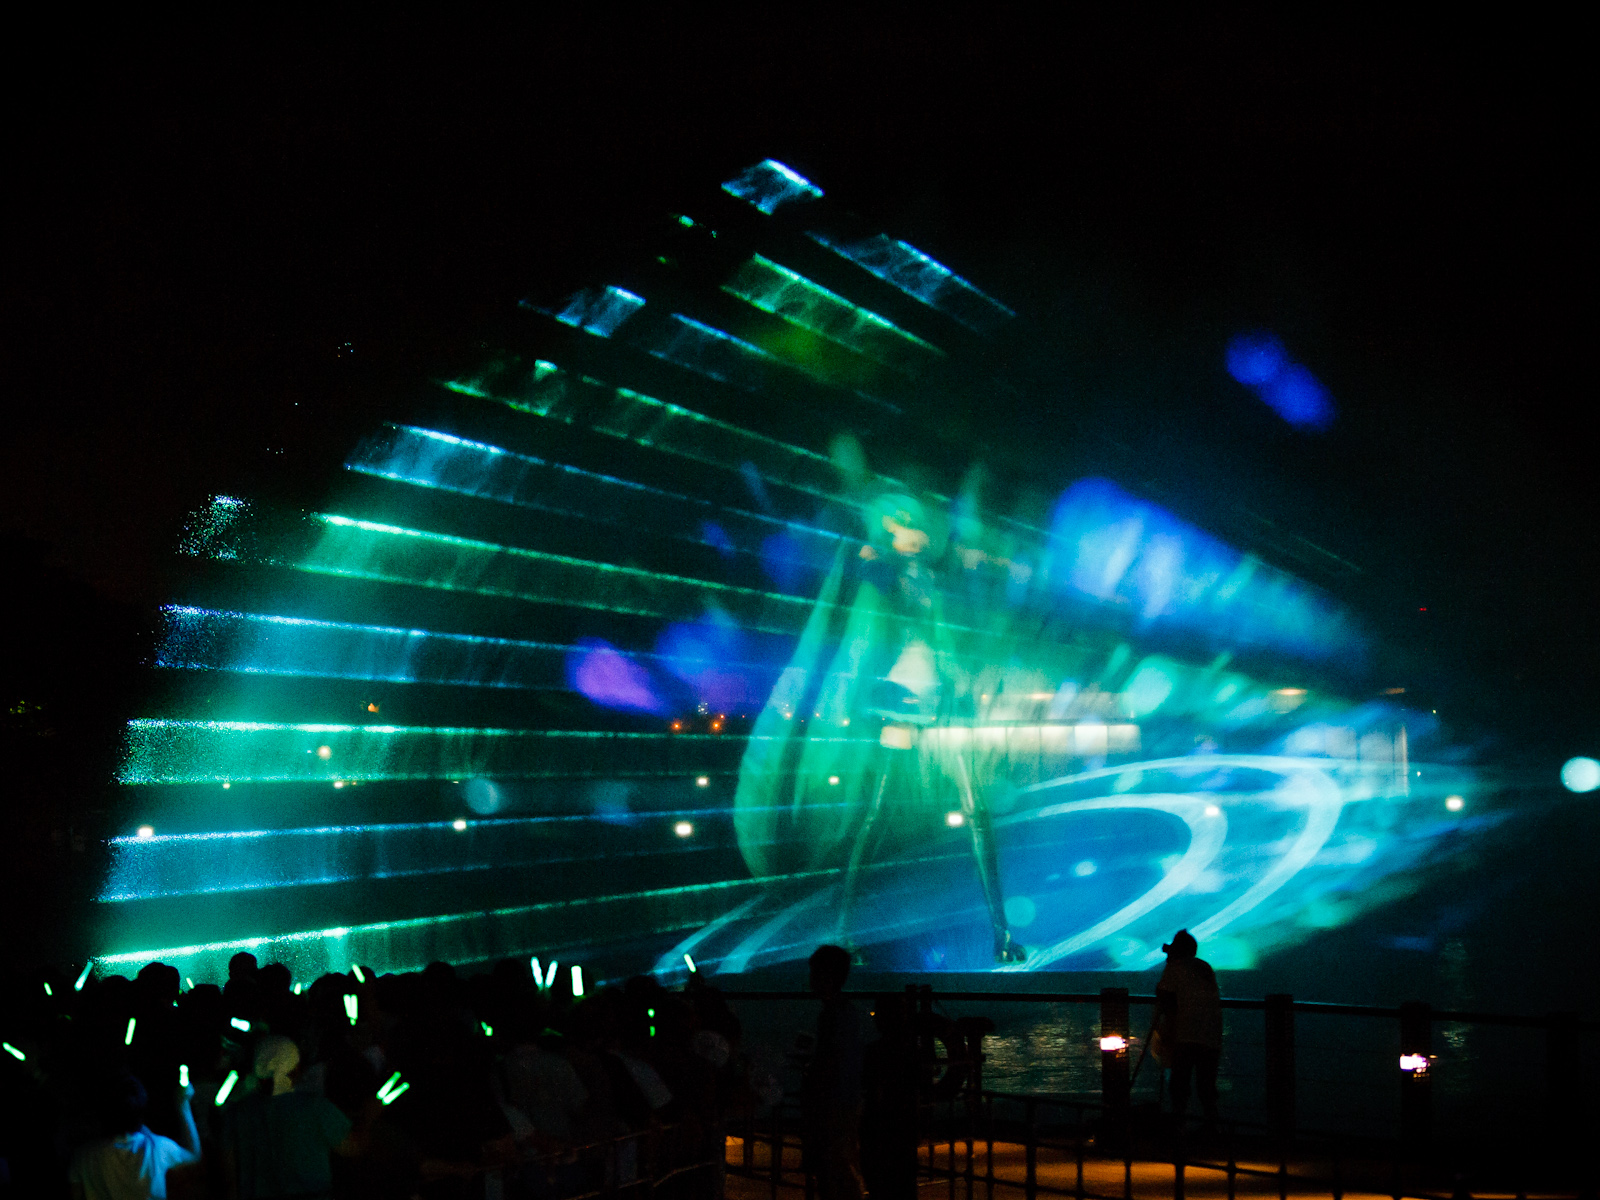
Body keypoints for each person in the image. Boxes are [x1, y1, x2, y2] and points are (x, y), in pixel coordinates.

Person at [219, 1035, 359, 1199]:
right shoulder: (315, 1107)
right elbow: (352, 1147)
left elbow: (229, 1172)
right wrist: (371, 1114)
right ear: (295, 1069)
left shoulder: (237, 1111)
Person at [69, 1072, 201, 1200]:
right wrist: (183, 1105)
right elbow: (194, 1156)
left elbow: (76, 1194)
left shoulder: (83, 1155)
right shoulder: (158, 1147)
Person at [801, 945, 864, 1200]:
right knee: (840, 1167)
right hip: (845, 1100)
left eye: (814, 973)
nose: (810, 979)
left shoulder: (831, 1014)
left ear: (825, 977)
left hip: (832, 1104)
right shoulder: (845, 1011)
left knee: (832, 1168)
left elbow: (830, 1061)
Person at [1154, 930, 1223, 1132]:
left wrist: (1166, 1034)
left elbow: (1164, 997)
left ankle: (1179, 1126)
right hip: (1211, 1035)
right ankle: (1211, 1127)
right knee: (1206, 1086)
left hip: (1185, 1035)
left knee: (1179, 1085)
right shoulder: (1204, 967)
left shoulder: (1175, 968)